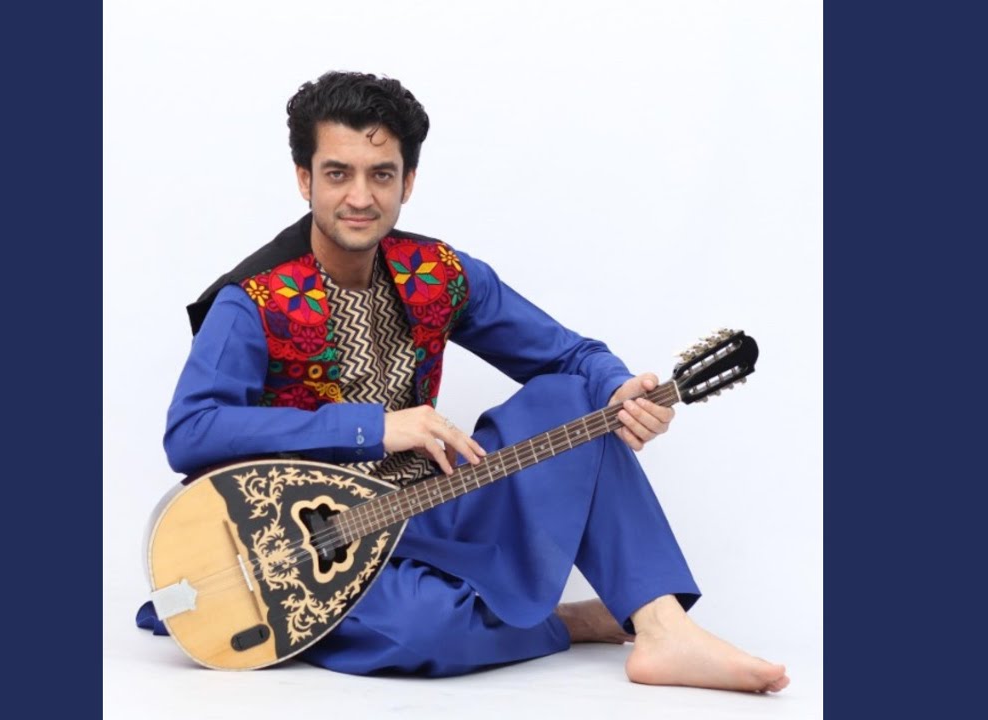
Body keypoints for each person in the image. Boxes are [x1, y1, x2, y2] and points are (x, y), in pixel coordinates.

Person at [136, 71, 788, 693]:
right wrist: (373, 428)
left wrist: (619, 389)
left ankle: (661, 626)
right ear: (304, 179)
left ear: (408, 182)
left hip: (432, 508)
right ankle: (569, 622)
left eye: (381, 174)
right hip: (307, 550)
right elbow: (191, 432)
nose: (360, 197)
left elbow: (570, 356)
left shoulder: (438, 272)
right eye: (337, 173)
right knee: (425, 627)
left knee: (575, 399)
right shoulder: (252, 300)